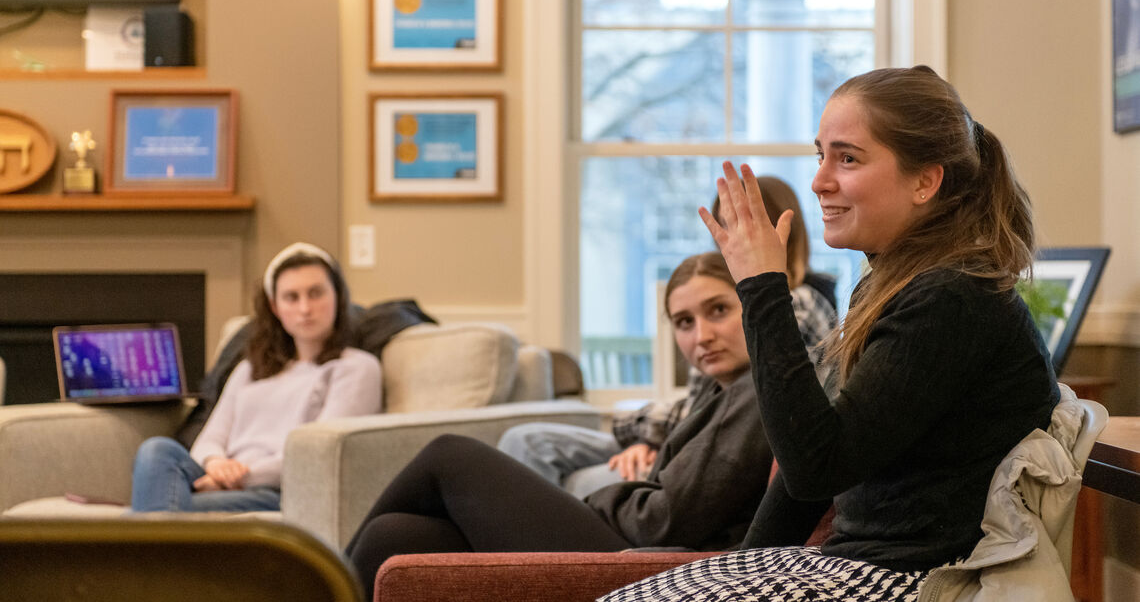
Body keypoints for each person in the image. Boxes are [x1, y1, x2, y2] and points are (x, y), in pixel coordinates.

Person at [603, 66, 1060, 601]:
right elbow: (807, 483)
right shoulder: (897, 287)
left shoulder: (951, 298)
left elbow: (815, 469)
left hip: (912, 581)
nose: (819, 180)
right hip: (852, 562)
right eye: (820, 155)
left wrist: (761, 286)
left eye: (847, 158)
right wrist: (745, 569)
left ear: (925, 181)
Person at [345, 252, 774, 600]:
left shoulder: (759, 389)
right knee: (394, 534)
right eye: (684, 322)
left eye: (718, 310)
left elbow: (665, 520)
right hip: (634, 546)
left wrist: (599, 499)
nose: (702, 335)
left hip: (653, 567)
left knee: (448, 455)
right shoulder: (718, 393)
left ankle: (314, 579)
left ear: (750, 304)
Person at [497, 176, 836, 498]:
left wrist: (645, 429)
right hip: (683, 438)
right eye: (724, 226)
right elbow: (696, 409)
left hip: (715, 455)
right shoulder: (724, 297)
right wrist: (651, 441)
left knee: (578, 481)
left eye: (748, 224)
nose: (732, 239)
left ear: (784, 231)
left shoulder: (794, 303)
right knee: (527, 441)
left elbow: (749, 412)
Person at [130, 242, 383, 512]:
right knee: (156, 450)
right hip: (220, 477)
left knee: (147, 509)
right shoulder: (250, 368)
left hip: (278, 489)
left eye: (316, 293)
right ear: (275, 307)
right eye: (292, 297)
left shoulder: (356, 368)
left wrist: (241, 477)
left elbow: (319, 455)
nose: (305, 308)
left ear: (338, 297)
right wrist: (216, 465)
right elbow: (210, 437)